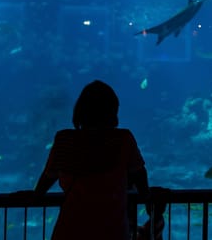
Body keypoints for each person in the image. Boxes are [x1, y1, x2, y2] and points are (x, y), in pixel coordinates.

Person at [33, 80, 149, 240]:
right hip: (111, 231)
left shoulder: (64, 140)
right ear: (113, 110)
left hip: (70, 230)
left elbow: (48, 178)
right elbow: (140, 176)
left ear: (80, 110)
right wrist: (149, 199)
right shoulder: (123, 140)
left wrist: (34, 195)